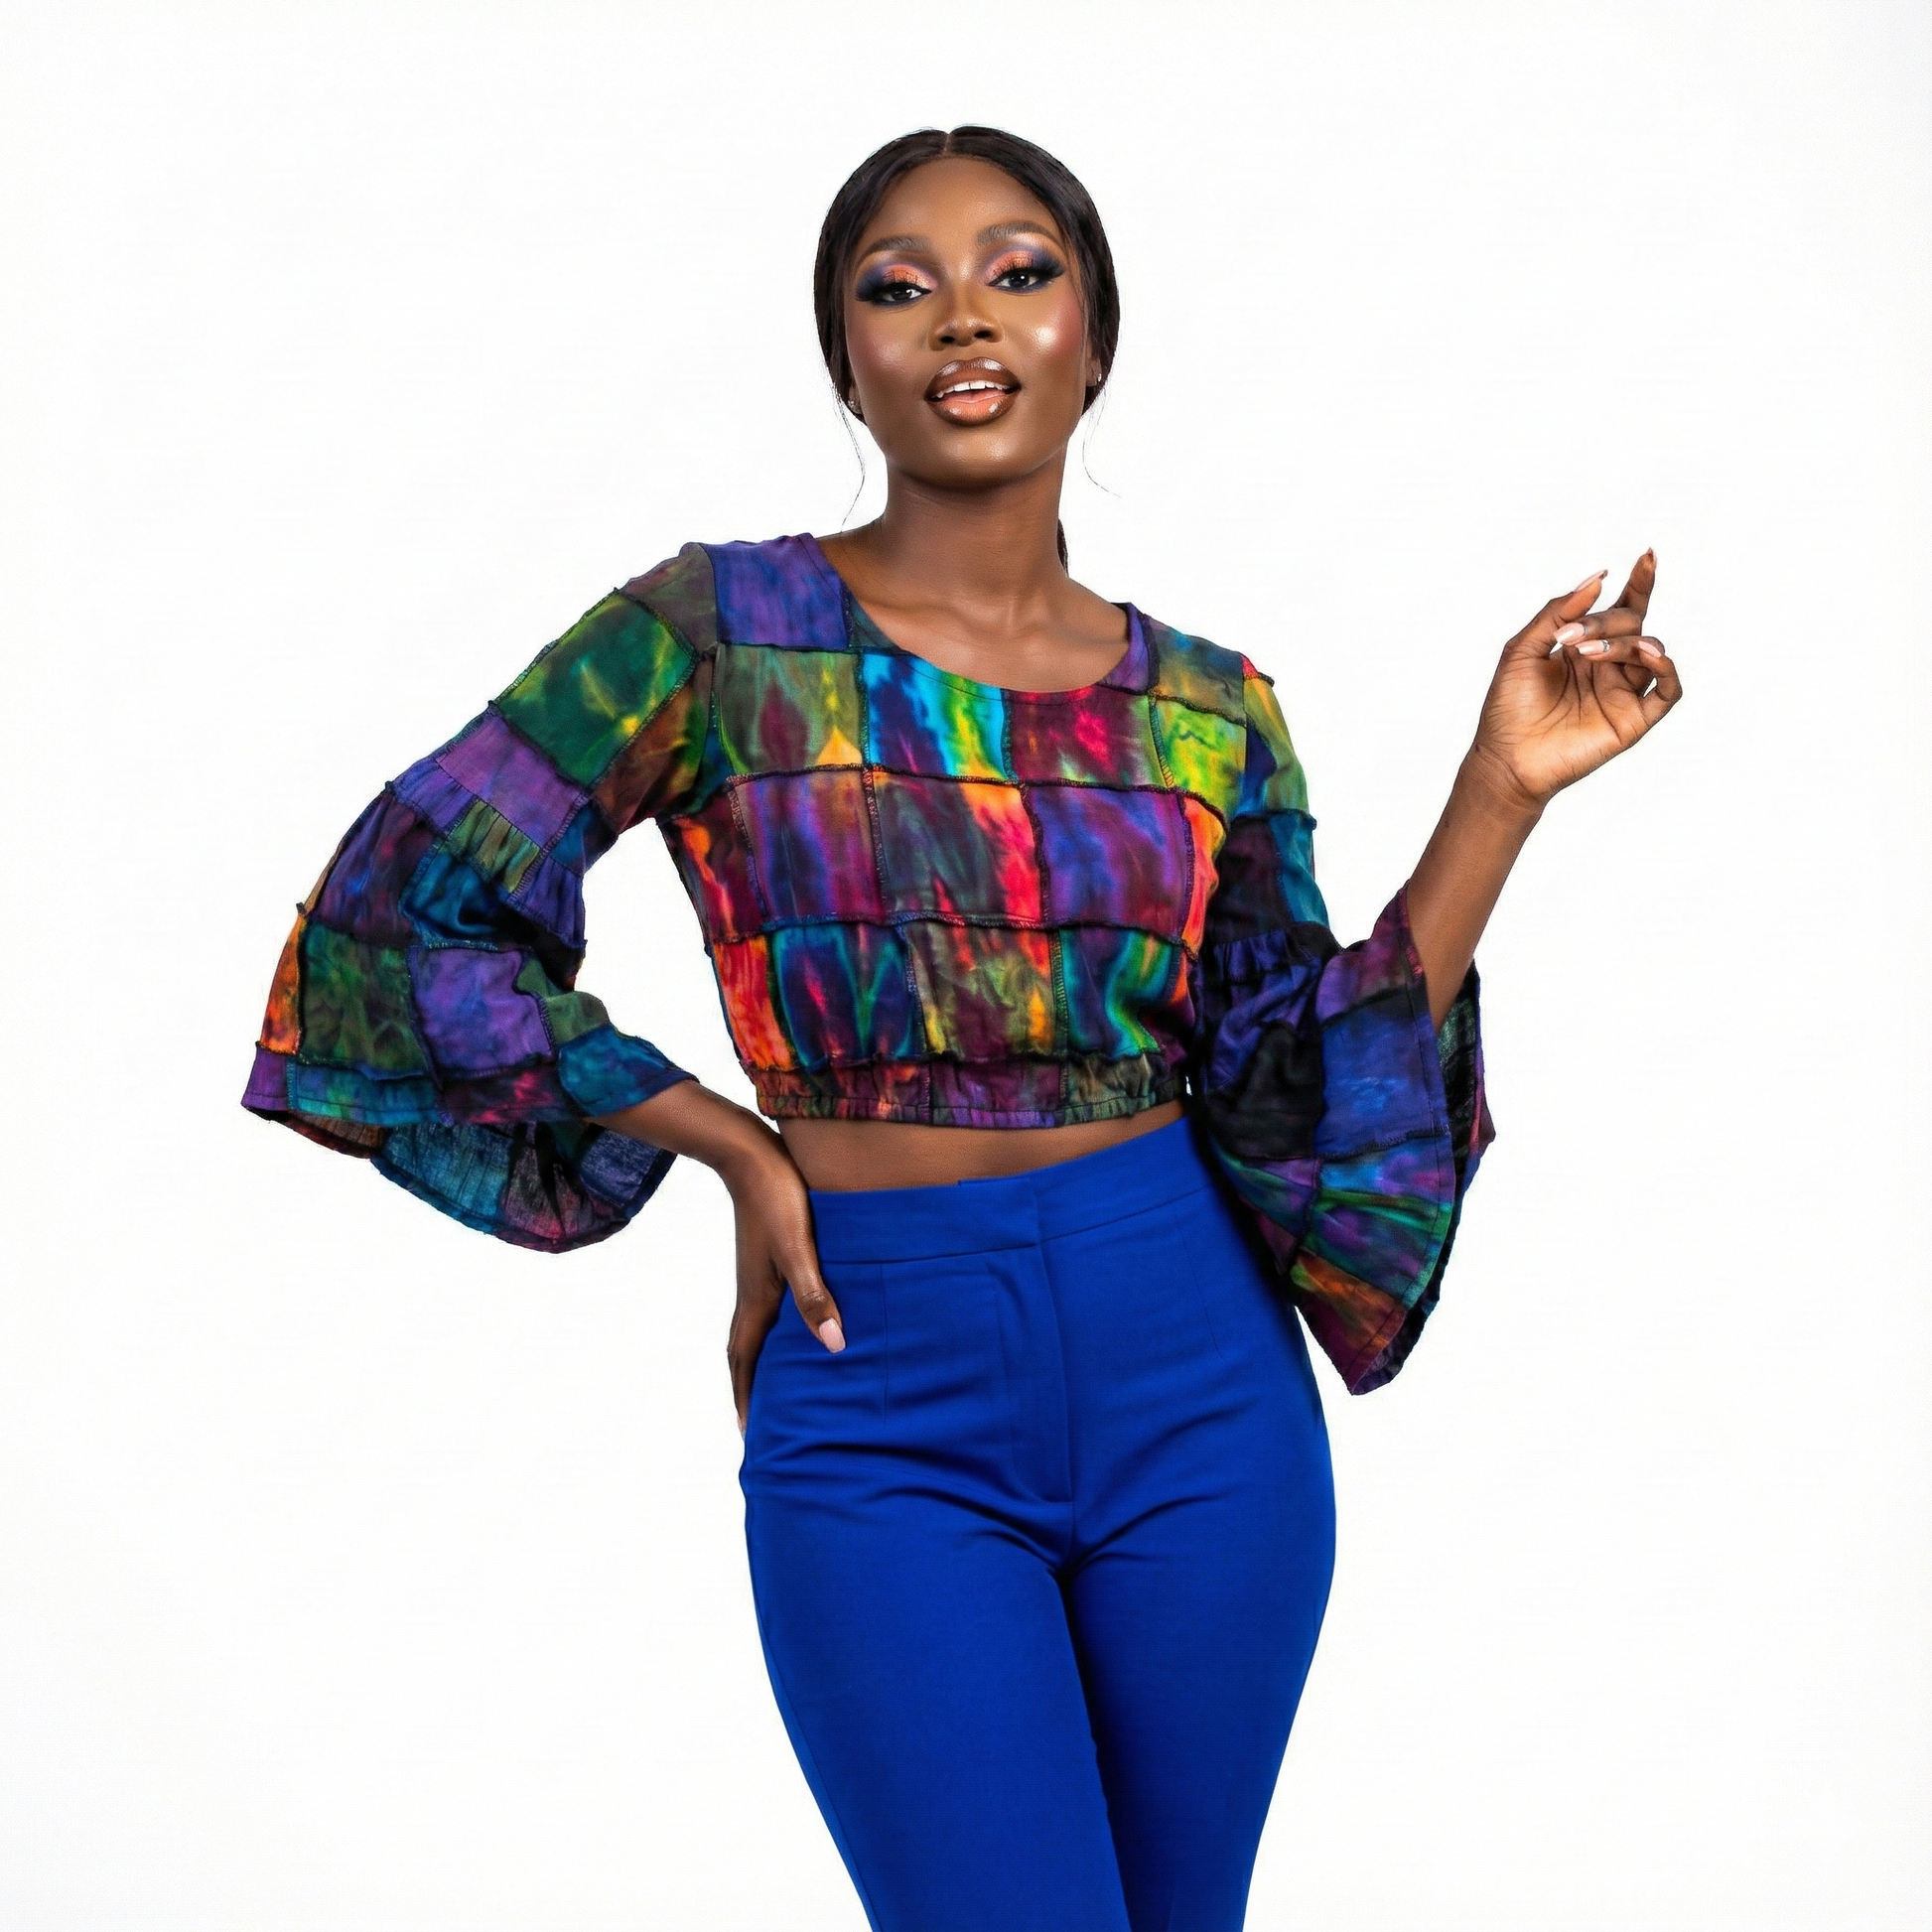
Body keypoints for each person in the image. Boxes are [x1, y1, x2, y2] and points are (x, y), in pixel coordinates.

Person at [243, 125, 1681, 1932]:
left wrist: (1499, 787)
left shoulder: (1213, 706)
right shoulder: (710, 633)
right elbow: (402, 908)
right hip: (879, 1373)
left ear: (1095, 333)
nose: (960, 318)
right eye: (895, 285)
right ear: (842, 356)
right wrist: (716, 1132)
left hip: (1197, 1379)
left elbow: (1291, 1073)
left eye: (1017, 270)